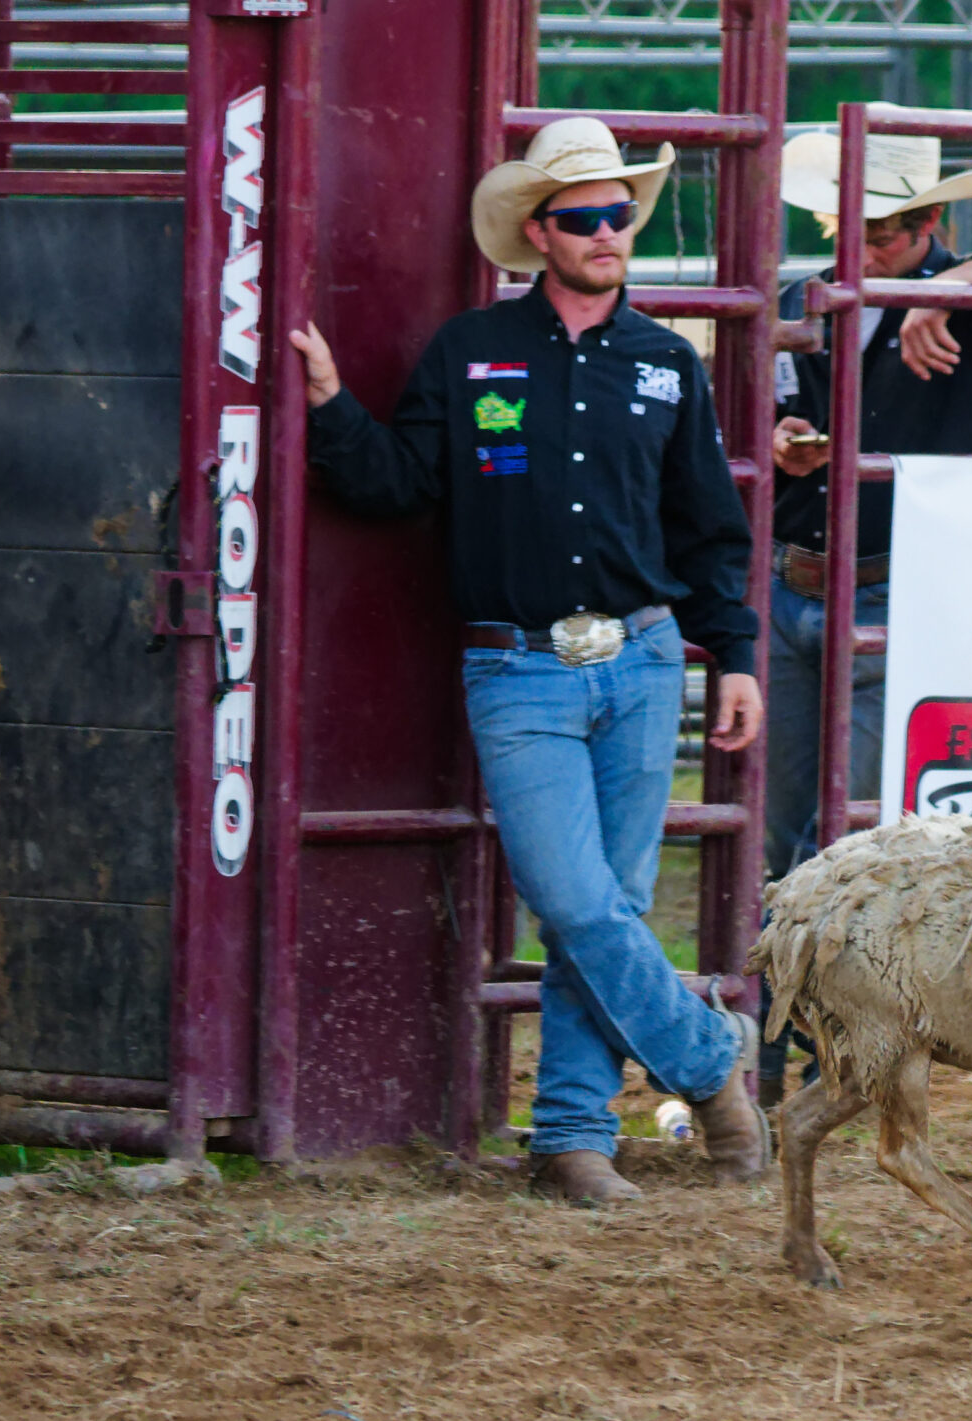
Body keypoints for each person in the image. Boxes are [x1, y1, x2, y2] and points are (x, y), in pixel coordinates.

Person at [289, 118, 768, 1206]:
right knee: (577, 901)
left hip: (644, 658)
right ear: (538, 235)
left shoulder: (666, 363)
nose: (607, 233)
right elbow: (400, 485)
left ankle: (569, 1138)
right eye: (584, 217)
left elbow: (707, 527)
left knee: (608, 905)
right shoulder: (469, 352)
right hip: (519, 667)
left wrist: (734, 654)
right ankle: (709, 1060)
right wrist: (329, 406)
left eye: (620, 214)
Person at [761, 129, 972, 1095]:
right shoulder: (800, 300)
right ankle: (788, 1035)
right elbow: (753, 407)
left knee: (839, 829)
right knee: (786, 826)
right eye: (852, 226)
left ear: (932, 221)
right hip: (796, 574)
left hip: (893, 584)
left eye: (889, 229)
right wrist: (777, 436)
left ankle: (809, 1035)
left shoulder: (970, 302)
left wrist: (951, 287)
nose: (867, 244)